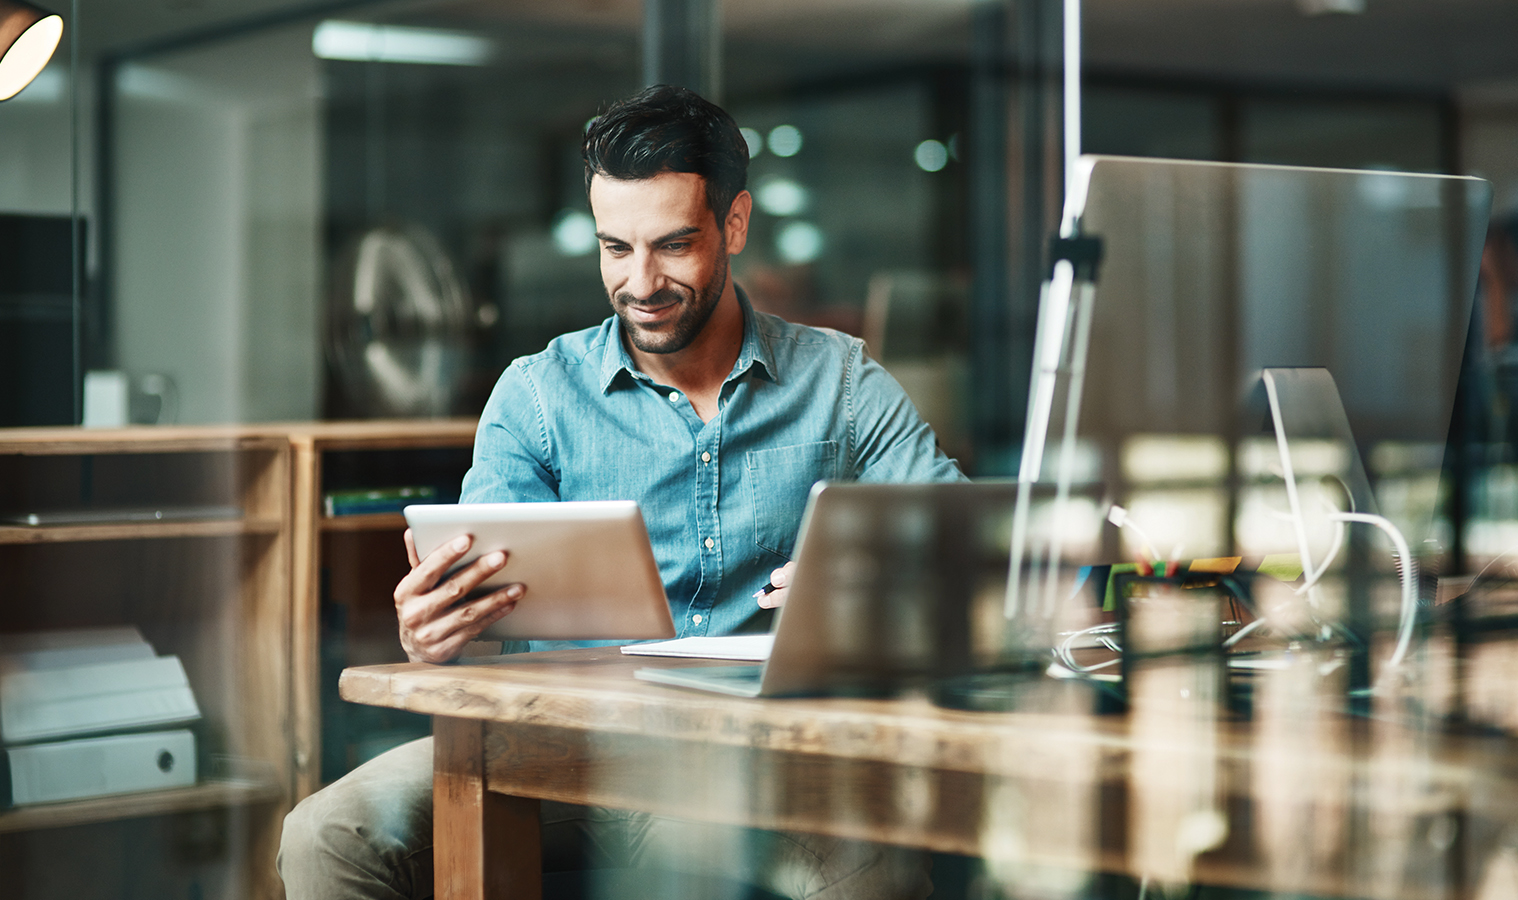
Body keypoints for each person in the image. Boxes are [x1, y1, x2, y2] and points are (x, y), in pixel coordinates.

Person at [278, 84, 965, 900]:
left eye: (673, 245)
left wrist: (884, 593)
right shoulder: (537, 395)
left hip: (764, 757)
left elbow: (967, 551)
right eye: (615, 248)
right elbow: (484, 623)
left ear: (734, 224)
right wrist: (437, 633)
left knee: (835, 861)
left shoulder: (843, 384)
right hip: (556, 751)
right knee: (327, 834)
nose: (641, 281)